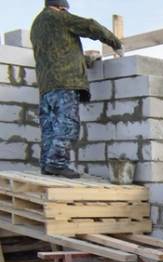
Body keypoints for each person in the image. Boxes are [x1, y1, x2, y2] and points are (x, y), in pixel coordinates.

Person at [30, 0, 124, 179]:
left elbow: (57, 53)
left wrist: (86, 60)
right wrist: (115, 43)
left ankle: (47, 165)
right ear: (61, 7)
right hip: (65, 82)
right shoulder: (59, 17)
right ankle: (57, 164)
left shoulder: (37, 24)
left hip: (46, 86)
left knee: (50, 127)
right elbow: (90, 26)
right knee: (67, 124)